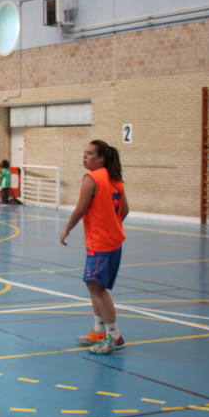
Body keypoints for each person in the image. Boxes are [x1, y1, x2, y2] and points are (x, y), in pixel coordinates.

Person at [60, 140, 128, 355]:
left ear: (101, 158)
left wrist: (66, 229)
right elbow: (125, 210)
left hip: (101, 243)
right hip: (112, 241)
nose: (85, 157)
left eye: (89, 154)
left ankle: (114, 336)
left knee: (98, 289)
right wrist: (111, 226)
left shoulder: (92, 178)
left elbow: (80, 209)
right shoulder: (115, 178)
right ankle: (99, 331)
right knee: (93, 286)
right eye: (84, 153)